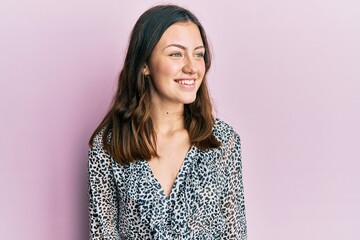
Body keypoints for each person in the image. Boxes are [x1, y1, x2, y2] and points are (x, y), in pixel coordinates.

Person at [88, 4, 247, 239]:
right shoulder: (109, 146)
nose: (192, 67)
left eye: (198, 54)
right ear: (144, 65)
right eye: (176, 53)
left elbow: (235, 233)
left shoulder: (222, 141)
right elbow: (102, 235)